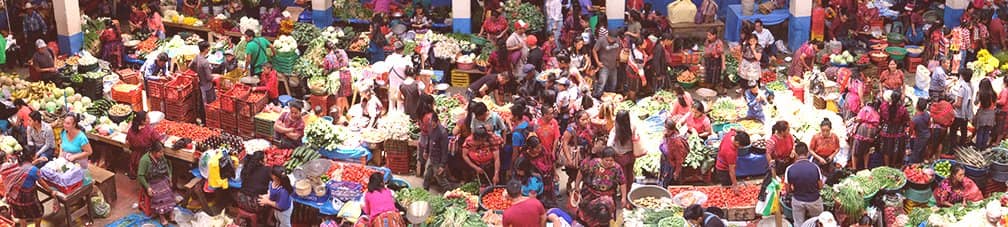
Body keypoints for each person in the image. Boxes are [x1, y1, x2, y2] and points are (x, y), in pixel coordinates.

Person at [572, 147, 624, 225]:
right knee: (587, 214)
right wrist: (576, 186)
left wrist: (623, 197)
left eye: (611, 160)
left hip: (607, 196)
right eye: (607, 160)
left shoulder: (617, 168)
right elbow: (581, 171)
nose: (609, 162)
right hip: (590, 194)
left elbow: (622, 182)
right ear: (602, 158)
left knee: (604, 211)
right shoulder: (593, 163)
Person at [3, 154, 48, 227]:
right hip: (28, 199)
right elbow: (41, 182)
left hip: (13, 198)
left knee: (22, 216)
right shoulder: (33, 170)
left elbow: (26, 167)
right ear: (30, 158)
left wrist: (38, 160)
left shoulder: (13, 168)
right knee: (38, 213)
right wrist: (51, 191)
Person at [785, 142, 824, 225]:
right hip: (814, 200)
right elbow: (820, 186)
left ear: (795, 153)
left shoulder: (789, 169)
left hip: (798, 200)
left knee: (798, 223)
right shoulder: (815, 167)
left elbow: (788, 190)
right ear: (807, 153)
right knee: (819, 222)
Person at [137, 142, 173, 224]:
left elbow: (167, 166)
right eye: (160, 152)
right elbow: (140, 175)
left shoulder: (161, 157)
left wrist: (170, 177)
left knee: (169, 191)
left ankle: (170, 212)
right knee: (159, 195)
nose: (162, 154)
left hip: (161, 178)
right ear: (153, 152)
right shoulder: (145, 160)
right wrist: (147, 187)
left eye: (163, 152)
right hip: (150, 181)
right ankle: (162, 216)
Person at [608, 111, 640, 194]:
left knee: (622, 176)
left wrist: (615, 153)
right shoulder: (632, 127)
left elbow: (609, 144)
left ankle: (622, 193)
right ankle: (628, 192)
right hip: (630, 155)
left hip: (619, 157)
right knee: (629, 175)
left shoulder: (615, 130)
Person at [560, 111, 592, 191]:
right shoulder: (571, 129)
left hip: (584, 154)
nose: (586, 121)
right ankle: (569, 184)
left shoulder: (588, 127)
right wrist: (569, 159)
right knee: (573, 174)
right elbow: (565, 144)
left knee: (584, 172)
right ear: (577, 120)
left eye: (587, 119)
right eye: (583, 119)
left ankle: (580, 189)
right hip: (574, 155)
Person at [419, 112, 452, 190]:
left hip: (438, 159)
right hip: (431, 157)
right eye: (431, 123)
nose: (432, 125)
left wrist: (442, 165)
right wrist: (426, 151)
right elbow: (429, 139)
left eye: (434, 124)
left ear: (437, 121)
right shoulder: (430, 128)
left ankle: (449, 193)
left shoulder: (442, 133)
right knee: (427, 175)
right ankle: (425, 190)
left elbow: (445, 150)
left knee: (441, 179)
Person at [126, 111, 163, 179]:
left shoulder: (131, 130)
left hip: (135, 157)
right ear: (143, 122)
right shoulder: (149, 130)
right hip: (146, 157)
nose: (149, 119)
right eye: (147, 118)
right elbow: (158, 139)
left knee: (140, 173)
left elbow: (128, 142)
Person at [237, 151, 271, 225]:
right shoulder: (267, 169)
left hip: (240, 199)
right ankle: (265, 221)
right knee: (271, 201)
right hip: (253, 204)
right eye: (265, 158)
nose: (266, 159)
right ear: (260, 161)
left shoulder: (247, 168)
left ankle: (246, 220)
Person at [879, 91, 909, 167]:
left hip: (886, 130)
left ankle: (886, 165)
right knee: (895, 148)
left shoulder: (883, 106)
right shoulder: (903, 109)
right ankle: (893, 164)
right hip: (898, 131)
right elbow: (906, 120)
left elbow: (881, 117)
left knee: (886, 148)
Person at [191, 41, 218, 122]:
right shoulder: (205, 62)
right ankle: (209, 120)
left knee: (202, 102)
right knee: (209, 103)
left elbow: (190, 66)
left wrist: (198, 73)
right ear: (205, 49)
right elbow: (209, 77)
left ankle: (202, 118)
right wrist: (216, 76)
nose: (209, 49)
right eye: (208, 48)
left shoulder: (197, 57)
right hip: (207, 86)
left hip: (201, 83)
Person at [851, 101, 880, 170]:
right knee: (866, 150)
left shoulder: (866, 109)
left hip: (863, 130)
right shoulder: (876, 112)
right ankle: (865, 167)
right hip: (872, 132)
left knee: (855, 150)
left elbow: (859, 119)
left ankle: (854, 168)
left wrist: (854, 120)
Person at [592, 31, 621, 98]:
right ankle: (597, 96)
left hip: (613, 65)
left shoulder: (618, 40)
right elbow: (594, 50)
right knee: (602, 83)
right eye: (611, 39)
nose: (613, 40)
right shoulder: (602, 40)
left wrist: (617, 59)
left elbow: (619, 48)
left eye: (614, 39)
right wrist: (598, 62)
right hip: (604, 65)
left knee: (613, 84)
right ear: (608, 36)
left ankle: (610, 98)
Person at [660, 119, 688, 187]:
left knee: (669, 183)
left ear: (672, 130)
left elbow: (679, 160)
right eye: (665, 129)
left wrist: (676, 172)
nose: (666, 131)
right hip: (665, 162)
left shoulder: (677, 143)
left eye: (668, 130)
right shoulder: (666, 135)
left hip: (671, 166)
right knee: (663, 179)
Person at [952, 70, 973, 148]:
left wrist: (952, 105)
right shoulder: (970, 86)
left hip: (959, 114)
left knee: (953, 131)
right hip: (966, 114)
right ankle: (962, 145)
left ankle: (952, 148)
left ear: (963, 77)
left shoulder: (962, 89)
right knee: (964, 130)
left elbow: (959, 104)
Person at [975, 78, 997, 150]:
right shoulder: (994, 93)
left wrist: (977, 95)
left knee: (980, 132)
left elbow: (976, 103)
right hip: (991, 114)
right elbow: (995, 104)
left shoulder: (980, 93)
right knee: (987, 132)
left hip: (983, 113)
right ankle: (983, 148)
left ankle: (978, 148)